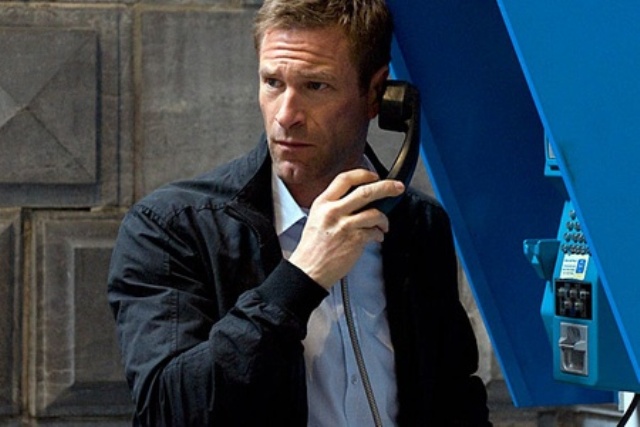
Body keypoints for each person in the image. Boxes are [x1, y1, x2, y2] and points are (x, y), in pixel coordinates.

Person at [108, 0, 491, 425]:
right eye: (273, 83)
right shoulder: (172, 227)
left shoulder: (417, 224)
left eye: (315, 86)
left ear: (375, 95)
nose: (286, 116)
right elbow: (167, 409)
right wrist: (301, 278)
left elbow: (455, 398)